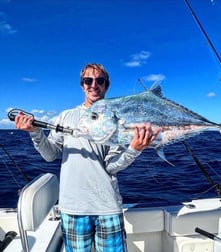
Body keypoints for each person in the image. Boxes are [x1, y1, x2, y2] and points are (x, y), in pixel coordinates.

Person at [14, 63, 159, 252]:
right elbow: (50, 155)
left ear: (106, 85)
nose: (93, 85)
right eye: (88, 81)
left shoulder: (119, 118)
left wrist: (134, 149)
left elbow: (112, 167)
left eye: (100, 80)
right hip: (73, 208)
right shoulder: (66, 116)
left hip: (107, 207)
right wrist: (35, 132)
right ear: (82, 85)